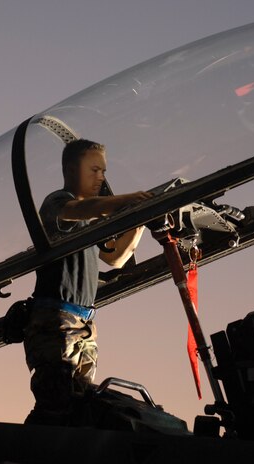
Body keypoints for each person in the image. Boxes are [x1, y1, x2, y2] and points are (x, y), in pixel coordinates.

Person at [24, 139, 153, 425]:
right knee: (54, 407)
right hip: (55, 322)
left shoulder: (92, 221)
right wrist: (127, 200)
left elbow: (116, 258)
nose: (101, 178)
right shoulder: (57, 203)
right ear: (71, 170)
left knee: (79, 408)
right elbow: (83, 209)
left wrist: (140, 219)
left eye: (103, 171)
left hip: (83, 325)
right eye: (94, 170)